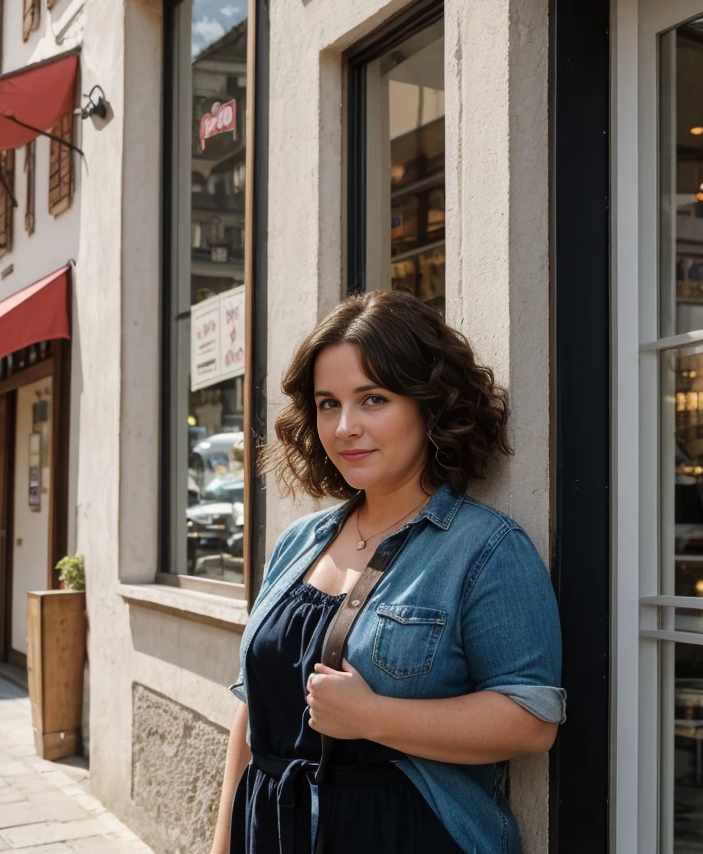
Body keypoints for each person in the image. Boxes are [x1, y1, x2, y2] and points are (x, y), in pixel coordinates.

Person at [211, 289, 565, 854]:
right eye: (328, 403)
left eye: (372, 399)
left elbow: (530, 721)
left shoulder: (486, 549)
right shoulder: (298, 543)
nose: (344, 426)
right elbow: (251, 705)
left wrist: (373, 716)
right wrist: (222, 843)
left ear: (431, 404)